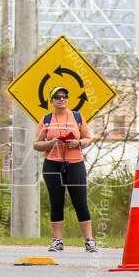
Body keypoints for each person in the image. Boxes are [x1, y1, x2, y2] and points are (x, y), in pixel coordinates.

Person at [34, 85, 97, 253]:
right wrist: (51, 143)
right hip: (53, 164)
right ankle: (57, 240)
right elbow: (36, 144)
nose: (62, 99)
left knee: (80, 202)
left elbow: (88, 138)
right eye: (58, 97)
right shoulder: (46, 119)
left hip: (74, 163)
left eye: (64, 96)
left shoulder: (77, 117)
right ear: (52, 101)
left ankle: (89, 240)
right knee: (56, 202)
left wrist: (77, 143)